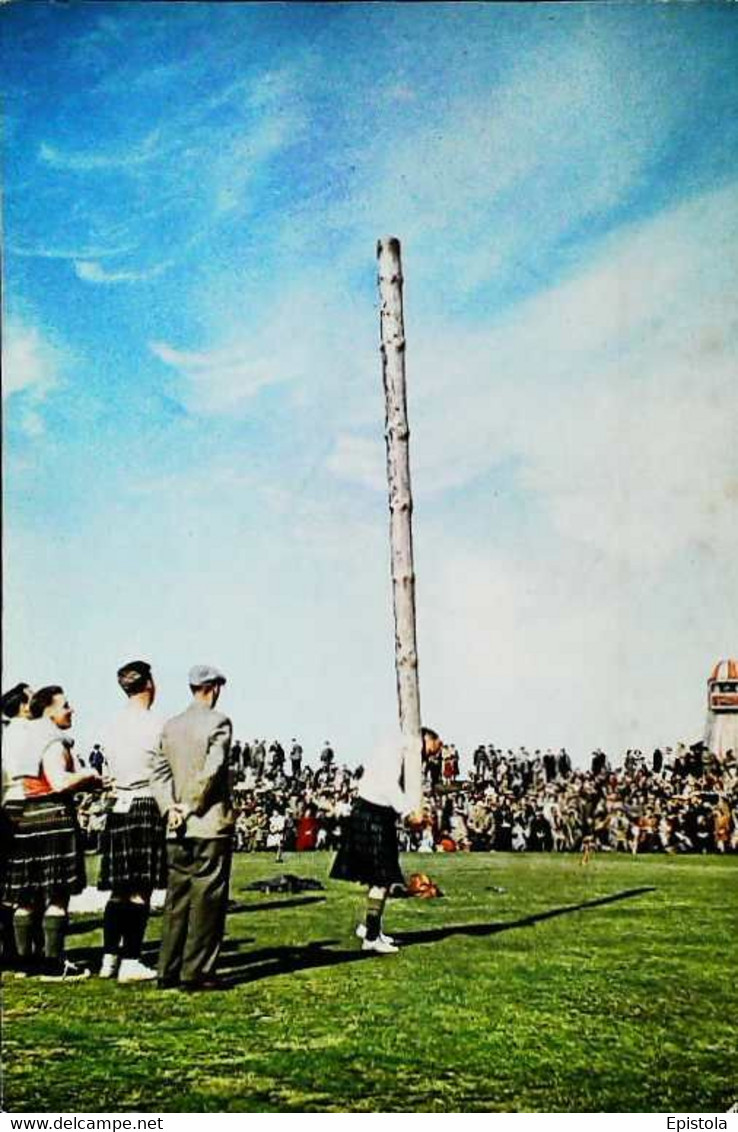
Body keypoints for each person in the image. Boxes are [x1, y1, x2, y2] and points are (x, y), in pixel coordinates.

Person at [2, 686, 102, 979]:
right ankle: (53, 964)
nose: (71, 710)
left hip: (25, 817)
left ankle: (24, 964)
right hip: (53, 816)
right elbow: (58, 782)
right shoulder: (53, 740)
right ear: (49, 711)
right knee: (57, 894)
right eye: (65, 705)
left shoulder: (21, 737)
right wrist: (89, 776)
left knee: (25, 896)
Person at [151, 665, 233, 992]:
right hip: (208, 823)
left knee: (177, 900)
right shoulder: (219, 723)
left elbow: (158, 774)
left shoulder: (170, 726)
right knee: (207, 903)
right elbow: (213, 770)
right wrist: (190, 805)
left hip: (176, 826)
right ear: (212, 688)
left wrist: (169, 807)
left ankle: (167, 969)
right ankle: (197, 972)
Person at [331, 728, 438, 954]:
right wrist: (409, 813)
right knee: (381, 878)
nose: (430, 757)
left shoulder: (400, 748)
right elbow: (389, 786)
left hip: (376, 814)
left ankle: (371, 928)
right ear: (425, 739)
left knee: (379, 879)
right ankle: (370, 937)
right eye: (431, 750)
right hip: (373, 814)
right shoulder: (397, 749)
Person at [97, 660, 167, 984]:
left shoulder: (111, 725)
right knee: (140, 888)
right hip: (144, 803)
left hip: (118, 806)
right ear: (149, 683)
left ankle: (109, 958)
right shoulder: (157, 724)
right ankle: (131, 959)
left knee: (118, 889)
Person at [1, 682, 34, 968]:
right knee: (25, 880)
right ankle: (23, 951)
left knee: (12, 879)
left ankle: (14, 949)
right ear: (24, 705)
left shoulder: (8, 733)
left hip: (9, 803)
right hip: (25, 801)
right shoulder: (28, 733)